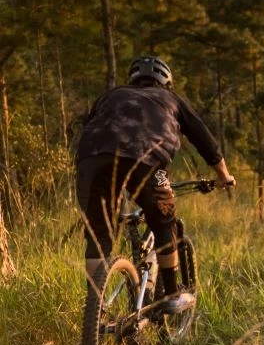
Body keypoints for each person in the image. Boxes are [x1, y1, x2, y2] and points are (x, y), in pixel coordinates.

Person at [75, 55, 235, 314]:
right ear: (166, 82)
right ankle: (172, 295)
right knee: (163, 218)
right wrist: (224, 176)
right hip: (148, 162)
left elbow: (89, 125)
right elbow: (204, 139)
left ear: (132, 80)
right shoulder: (171, 99)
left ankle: (95, 307)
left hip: (91, 159)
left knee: (99, 233)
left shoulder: (110, 96)